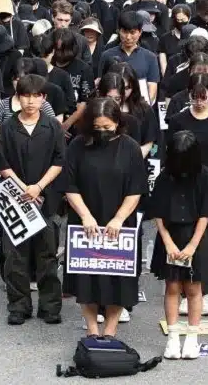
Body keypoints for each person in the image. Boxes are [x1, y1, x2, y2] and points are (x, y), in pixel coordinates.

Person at [64, 98, 148, 338]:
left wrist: (119, 218)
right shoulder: (78, 145)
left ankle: (110, 332)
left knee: (118, 280)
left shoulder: (130, 147)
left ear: (117, 123)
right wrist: (86, 215)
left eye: (107, 128)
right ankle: (92, 331)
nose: (102, 132)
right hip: (85, 220)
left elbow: (136, 189)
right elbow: (70, 185)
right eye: (97, 128)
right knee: (86, 280)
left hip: (119, 223)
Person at [0, 73, 65, 325]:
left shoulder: (52, 125)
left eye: (36, 96)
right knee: (15, 255)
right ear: (18, 97)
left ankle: (50, 306)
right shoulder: (9, 126)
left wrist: (39, 186)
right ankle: (19, 306)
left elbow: (60, 160)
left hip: (46, 198)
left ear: (43, 98)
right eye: (26, 96)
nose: (31, 101)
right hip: (14, 197)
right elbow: (1, 162)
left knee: (48, 253)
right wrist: (24, 188)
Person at [149, 130, 208, 359]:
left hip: (196, 236)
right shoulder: (164, 177)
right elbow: (158, 212)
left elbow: (206, 214)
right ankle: (172, 337)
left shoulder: (206, 177)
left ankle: (192, 337)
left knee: (193, 288)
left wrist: (192, 245)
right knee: (171, 287)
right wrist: (168, 241)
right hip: (170, 234)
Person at [168, 73, 208, 316]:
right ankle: (186, 291)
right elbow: (170, 155)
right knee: (183, 238)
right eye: (194, 97)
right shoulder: (177, 120)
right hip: (183, 191)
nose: (199, 101)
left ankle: (207, 293)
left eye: (203, 97)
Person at [98, 11, 159, 103]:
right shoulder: (107, 55)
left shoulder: (150, 57)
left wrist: (144, 107)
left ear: (140, 32)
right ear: (119, 31)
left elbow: (152, 86)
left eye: (132, 32)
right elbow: (101, 84)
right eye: (124, 32)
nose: (128, 37)